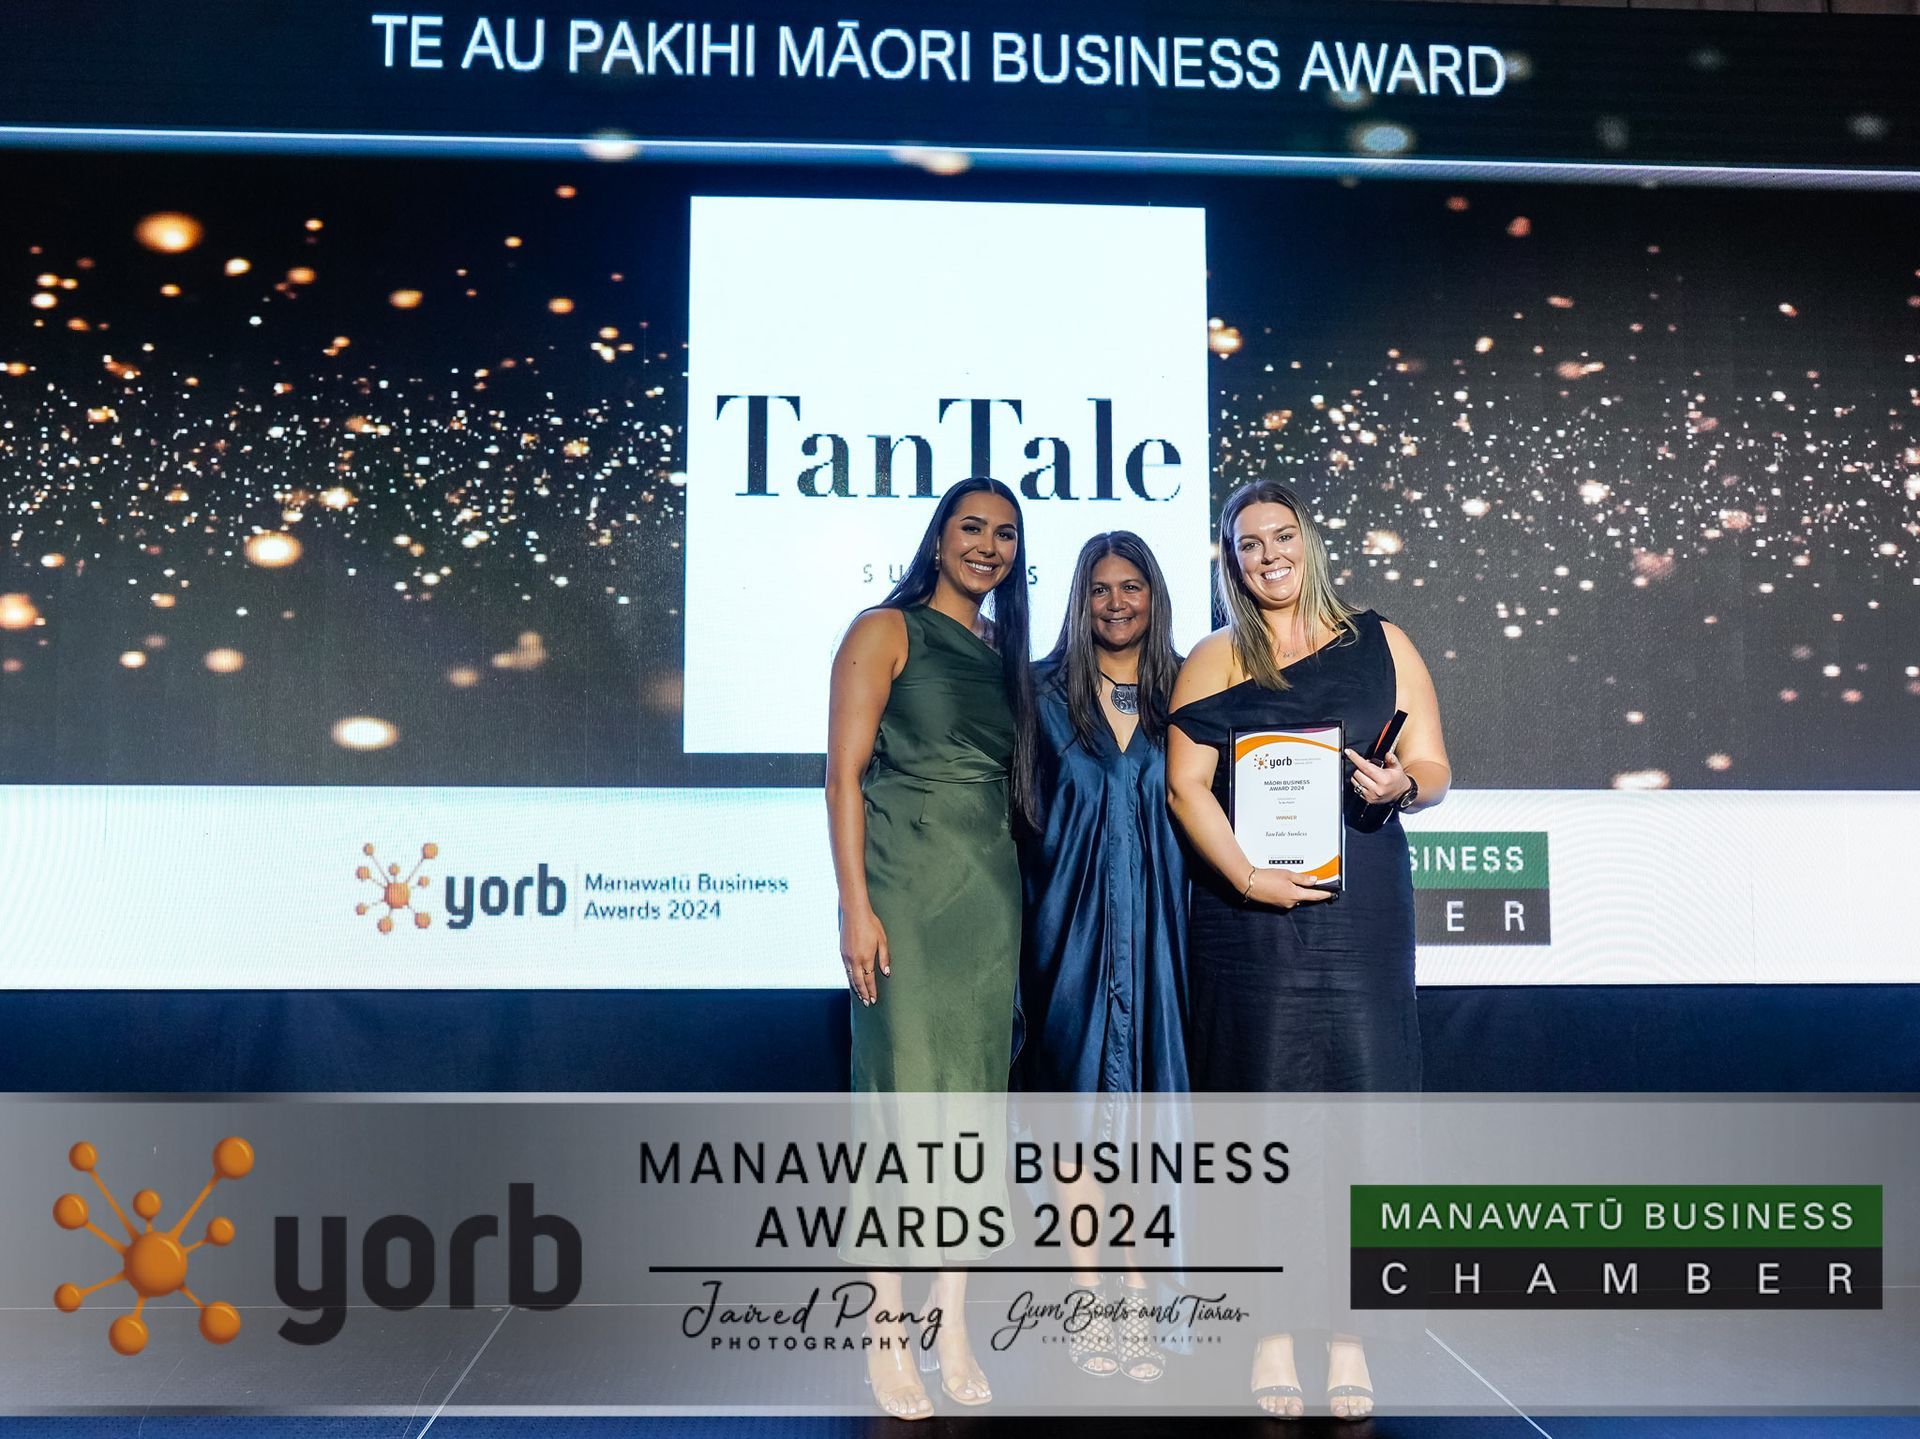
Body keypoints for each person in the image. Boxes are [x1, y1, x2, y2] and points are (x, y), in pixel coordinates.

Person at [1166, 479, 1451, 1420]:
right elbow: (1185, 787)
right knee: (1259, 1114)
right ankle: (1270, 1332)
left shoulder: (1383, 641)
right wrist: (1250, 878)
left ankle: (1349, 1332)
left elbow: (1436, 766)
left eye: (1281, 536)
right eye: (1248, 544)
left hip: (1362, 908)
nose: (1268, 556)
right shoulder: (1213, 657)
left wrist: (1404, 785)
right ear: (1230, 560)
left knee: (1365, 1111)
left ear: (1308, 541)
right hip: (1248, 917)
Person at [825, 476, 1037, 1418]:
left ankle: (949, 1324)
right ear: (940, 537)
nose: (988, 546)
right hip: (903, 897)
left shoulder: (1005, 652)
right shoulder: (886, 629)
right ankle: (885, 1329)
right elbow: (842, 777)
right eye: (972, 528)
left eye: (1006, 534)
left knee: (975, 1112)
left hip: (988, 902)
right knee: (899, 1103)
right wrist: (854, 907)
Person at [1018, 531, 1189, 1383]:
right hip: (1066, 928)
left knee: (1152, 1120)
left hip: (1162, 932)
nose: (1116, 603)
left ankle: (1141, 1295)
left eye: (1132, 586)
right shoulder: (1037, 694)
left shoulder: (1189, 691)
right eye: (1099, 588)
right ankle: (1089, 1296)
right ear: (1079, 599)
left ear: (1155, 595)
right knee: (1074, 1116)